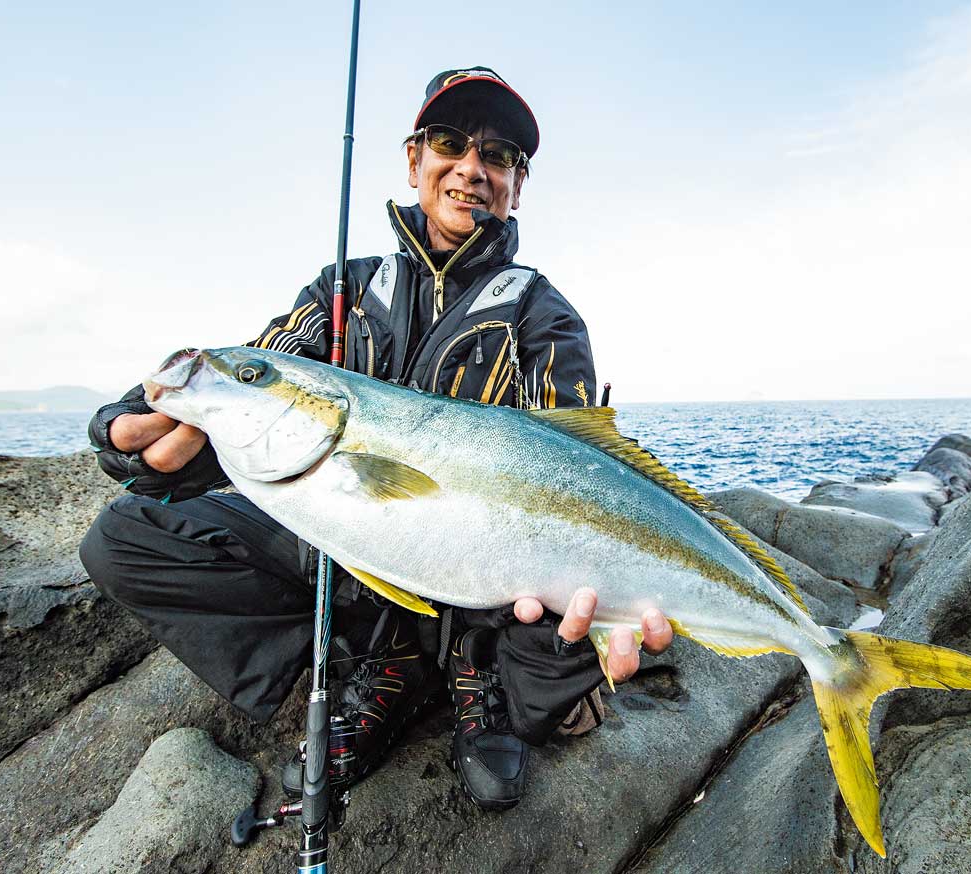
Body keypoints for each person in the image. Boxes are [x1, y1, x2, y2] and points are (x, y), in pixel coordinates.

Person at [80, 66, 674, 810]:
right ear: (414, 159)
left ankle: (475, 673)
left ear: (517, 186)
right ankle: (382, 661)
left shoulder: (541, 314)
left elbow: (573, 472)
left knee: (547, 661)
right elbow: (256, 370)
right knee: (123, 539)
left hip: (488, 582)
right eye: (451, 142)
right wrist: (126, 426)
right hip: (348, 556)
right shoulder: (344, 291)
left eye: (497, 157)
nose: (470, 168)